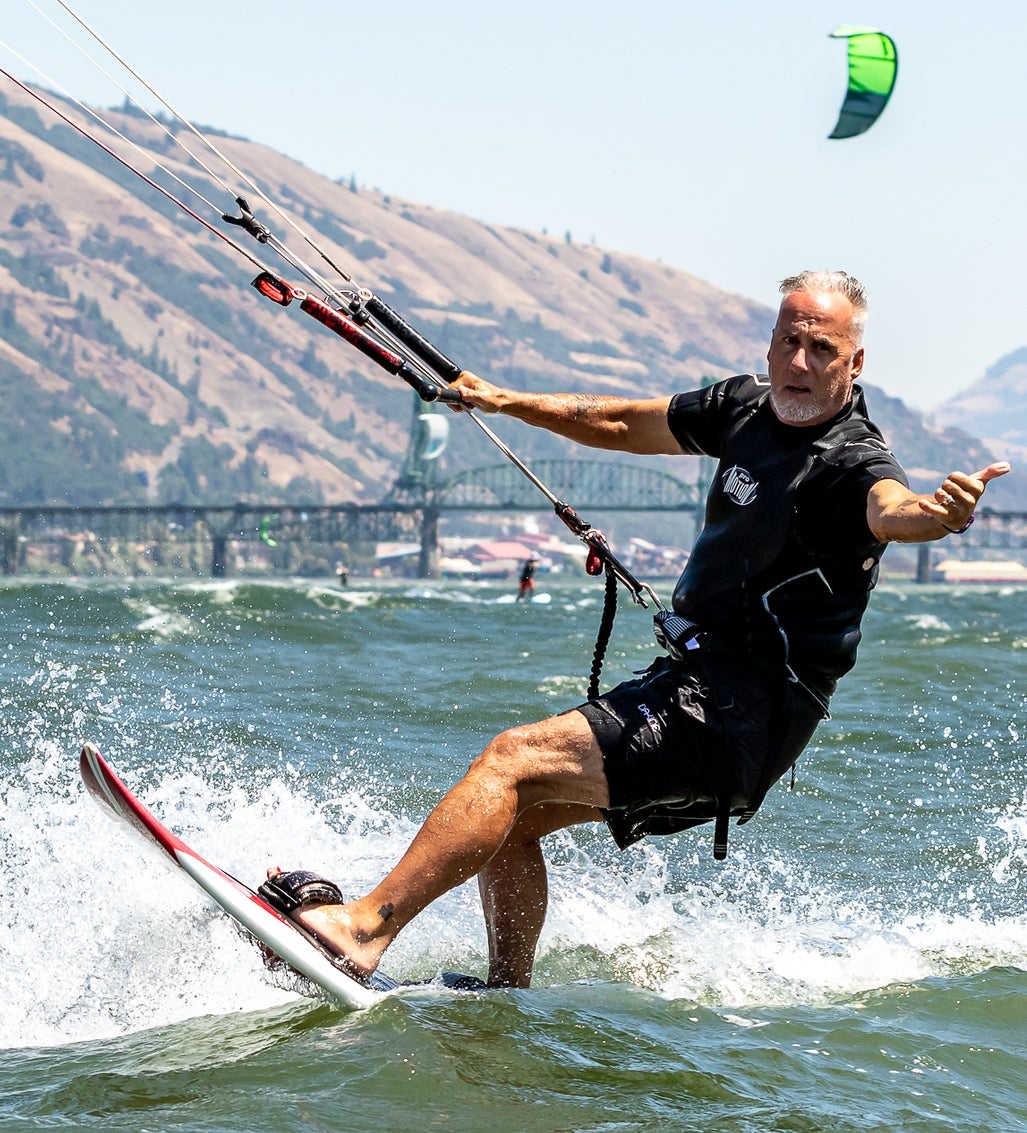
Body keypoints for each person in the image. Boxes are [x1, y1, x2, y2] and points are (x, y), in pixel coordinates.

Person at [260, 271, 1010, 989]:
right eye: (788, 341)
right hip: (695, 682)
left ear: (855, 361)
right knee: (513, 813)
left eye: (822, 350)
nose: (799, 362)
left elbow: (890, 509)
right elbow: (621, 421)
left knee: (509, 759)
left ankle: (362, 926)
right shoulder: (743, 408)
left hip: (739, 715)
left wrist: (935, 515)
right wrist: (506, 400)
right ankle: (504, 994)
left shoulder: (851, 460)